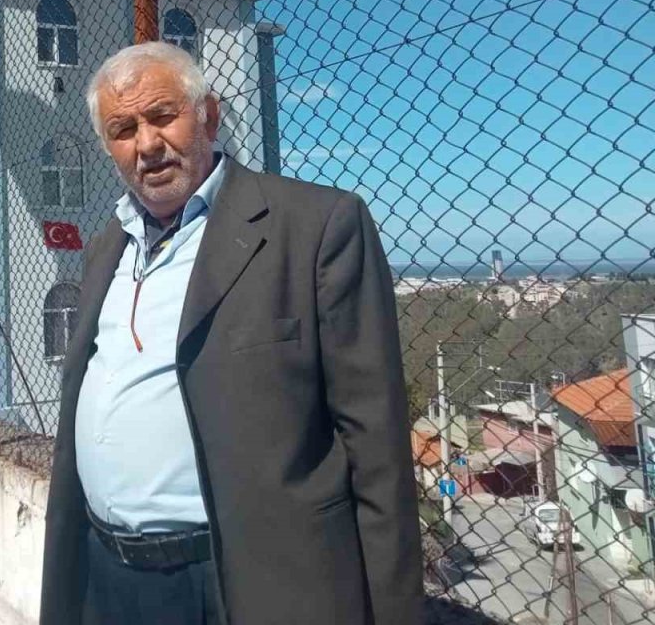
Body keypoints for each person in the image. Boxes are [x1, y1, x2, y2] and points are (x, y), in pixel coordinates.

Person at [40, 42, 422, 625]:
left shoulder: (316, 227)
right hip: (108, 580)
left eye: (163, 115)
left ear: (209, 117)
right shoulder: (104, 249)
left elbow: (376, 444)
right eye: (123, 128)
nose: (146, 144)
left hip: (245, 584)